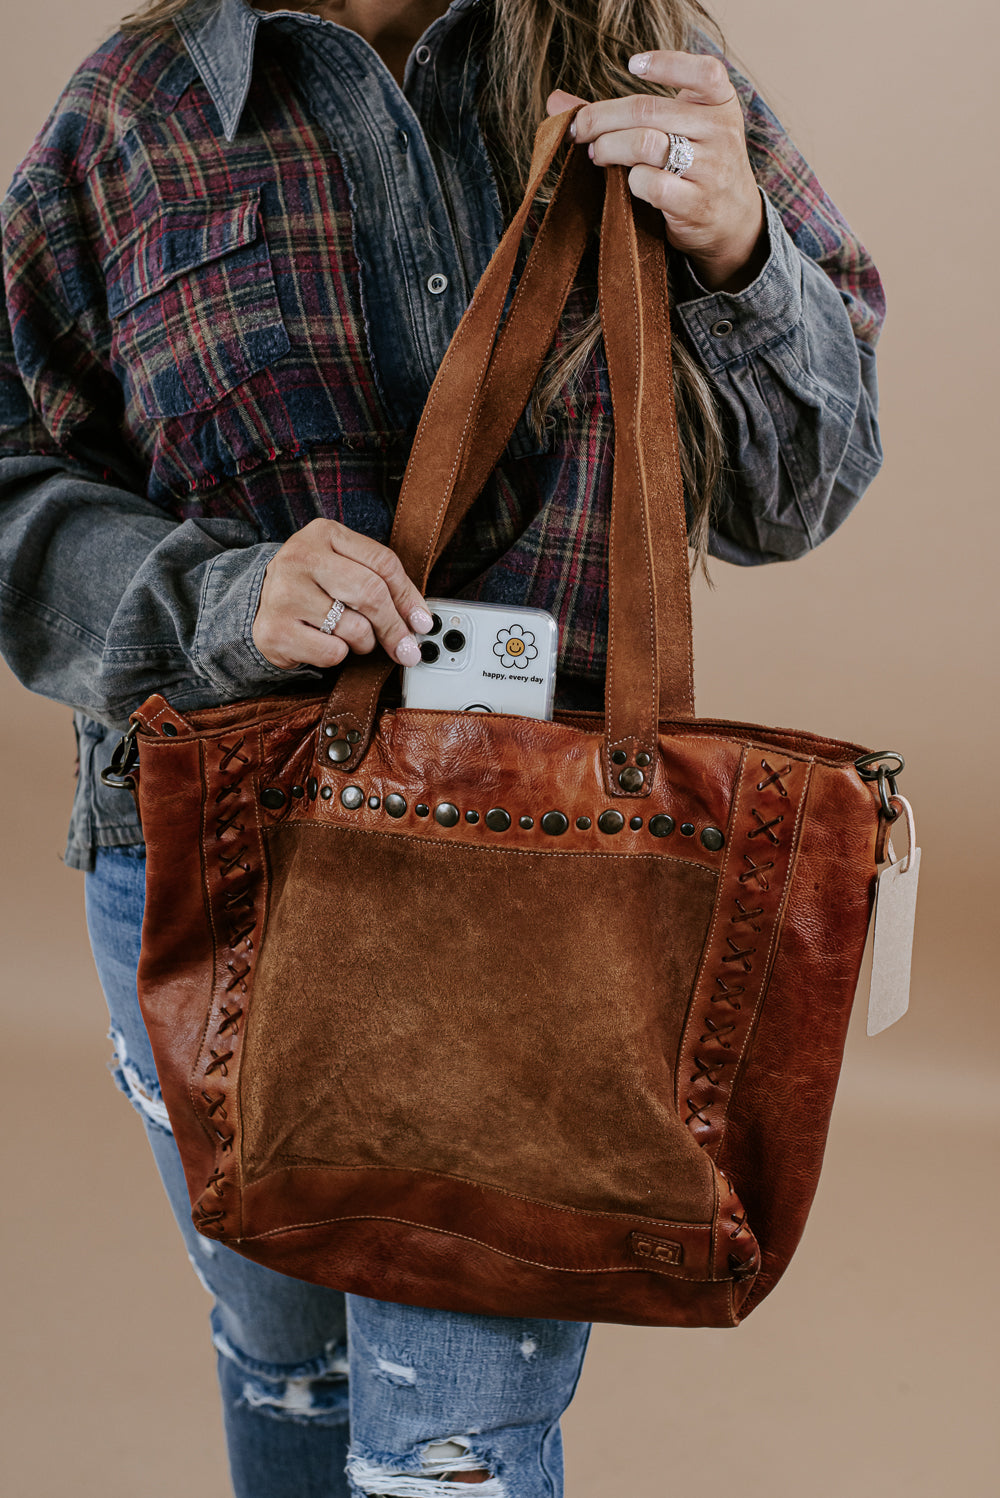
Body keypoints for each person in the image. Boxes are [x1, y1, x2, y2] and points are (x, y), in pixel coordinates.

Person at [0, 1, 885, 1494]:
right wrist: (223, 599)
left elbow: (800, 488)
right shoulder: (134, 114)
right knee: (287, 1370)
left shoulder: (638, 58)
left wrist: (739, 254)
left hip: (532, 895)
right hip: (211, 870)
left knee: (451, 1455)